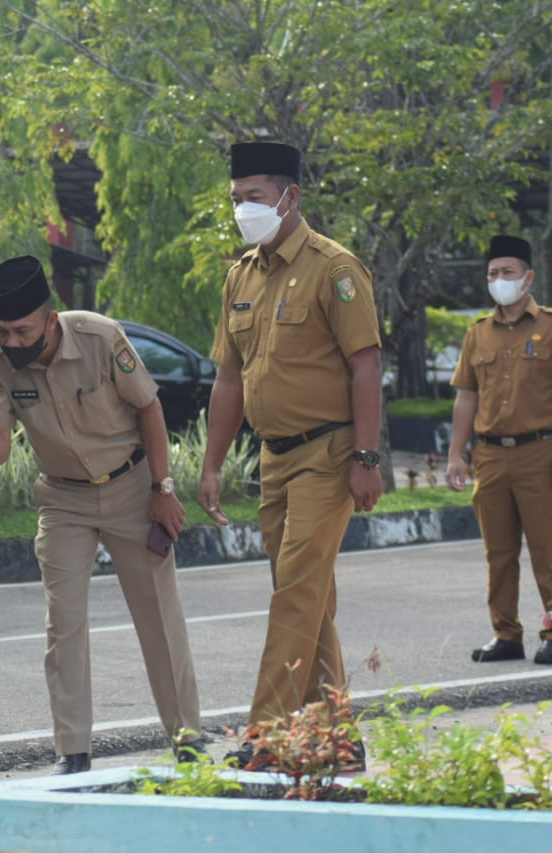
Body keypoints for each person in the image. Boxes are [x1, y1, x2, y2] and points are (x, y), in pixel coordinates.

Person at [0, 255, 202, 775]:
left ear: (50, 320)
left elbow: (149, 407)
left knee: (159, 618)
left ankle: (187, 738)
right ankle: (72, 752)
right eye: (2, 330)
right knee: (64, 623)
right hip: (63, 500)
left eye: (21, 329)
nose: (11, 340)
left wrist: (163, 488)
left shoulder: (99, 338)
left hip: (132, 488)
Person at [196, 142, 383, 758]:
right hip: (274, 459)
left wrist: (367, 457)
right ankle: (337, 737)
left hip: (328, 456)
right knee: (306, 597)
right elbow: (229, 376)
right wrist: (214, 462)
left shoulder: (335, 269)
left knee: (296, 592)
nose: (243, 209)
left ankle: (270, 734)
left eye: (254, 197)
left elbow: (366, 365)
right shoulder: (241, 276)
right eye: (235, 199)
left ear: (290, 196)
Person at [446, 235, 552, 666]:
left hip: (540, 453)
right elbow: (466, 397)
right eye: (493, 273)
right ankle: (506, 634)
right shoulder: (478, 334)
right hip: (490, 455)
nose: (499, 280)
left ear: (528, 278)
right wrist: (457, 454)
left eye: (508, 272)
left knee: (549, 551)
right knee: (500, 553)